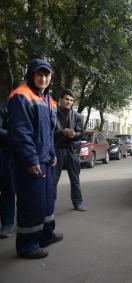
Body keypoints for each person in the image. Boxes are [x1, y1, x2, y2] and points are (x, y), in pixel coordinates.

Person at [8, 58, 63, 259]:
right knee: (31, 204)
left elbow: (48, 133)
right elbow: (22, 133)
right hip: (31, 163)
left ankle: (46, 234)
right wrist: (32, 161)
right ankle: (27, 246)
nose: (43, 78)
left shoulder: (47, 99)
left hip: (46, 160)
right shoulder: (21, 96)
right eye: (39, 74)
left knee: (47, 201)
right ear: (31, 75)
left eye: (47, 75)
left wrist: (52, 154)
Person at [54, 89, 86, 211]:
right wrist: (62, 132)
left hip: (72, 151)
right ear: (61, 99)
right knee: (53, 180)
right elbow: (49, 132)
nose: (69, 102)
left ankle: (78, 203)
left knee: (75, 179)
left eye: (71, 100)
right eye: (66, 99)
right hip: (57, 150)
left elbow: (80, 133)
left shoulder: (77, 116)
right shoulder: (53, 114)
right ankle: (50, 205)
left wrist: (74, 135)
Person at [0, 101, 15, 238]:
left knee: (10, 190)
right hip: (4, 154)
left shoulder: (25, 109)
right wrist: (15, 135)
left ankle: (7, 224)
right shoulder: (3, 108)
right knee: (7, 190)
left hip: (18, 156)